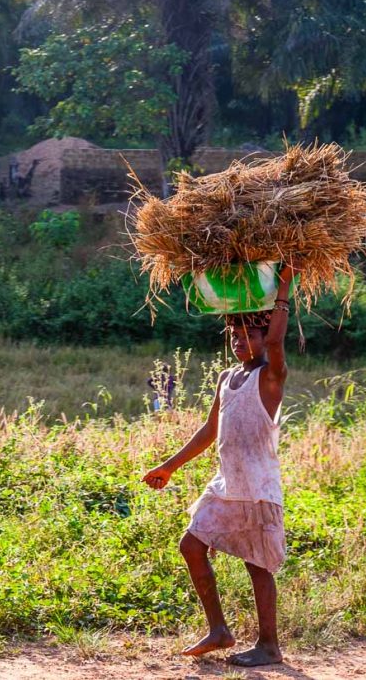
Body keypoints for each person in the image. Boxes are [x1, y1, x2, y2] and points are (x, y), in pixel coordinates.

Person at [141, 265, 297, 667]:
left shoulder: (271, 376)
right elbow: (210, 429)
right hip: (226, 484)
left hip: (258, 487)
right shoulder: (228, 377)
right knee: (191, 546)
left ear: (265, 340)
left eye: (250, 336)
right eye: (235, 336)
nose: (241, 342)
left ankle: (269, 646)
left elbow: (278, 341)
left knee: (258, 566)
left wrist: (284, 287)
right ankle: (219, 631)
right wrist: (169, 465)